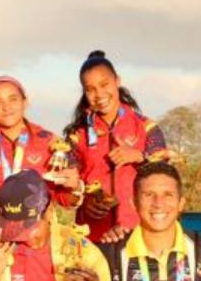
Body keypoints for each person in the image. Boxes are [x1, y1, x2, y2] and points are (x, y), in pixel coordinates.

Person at [64, 50, 169, 244]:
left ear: (117, 81)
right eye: (90, 89)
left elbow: (166, 176)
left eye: (104, 85)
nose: (99, 94)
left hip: (139, 235)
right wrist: (83, 201)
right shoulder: (76, 137)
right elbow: (65, 190)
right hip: (93, 239)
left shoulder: (146, 128)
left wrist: (140, 157)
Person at [0, 75, 80, 232]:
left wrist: (74, 188)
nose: (6, 107)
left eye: (13, 99)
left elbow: (65, 199)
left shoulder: (50, 142)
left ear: (25, 101)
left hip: (38, 237)